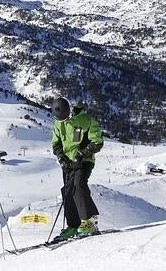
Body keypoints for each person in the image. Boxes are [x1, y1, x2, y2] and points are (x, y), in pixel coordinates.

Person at [51, 97, 103, 239]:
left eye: (66, 118)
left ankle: (90, 222)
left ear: (69, 110)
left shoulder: (85, 120)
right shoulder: (58, 123)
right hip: (68, 162)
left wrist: (80, 155)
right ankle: (73, 225)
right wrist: (62, 159)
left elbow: (98, 142)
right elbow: (55, 143)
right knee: (67, 191)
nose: (64, 121)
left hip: (84, 160)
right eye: (60, 120)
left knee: (78, 185)